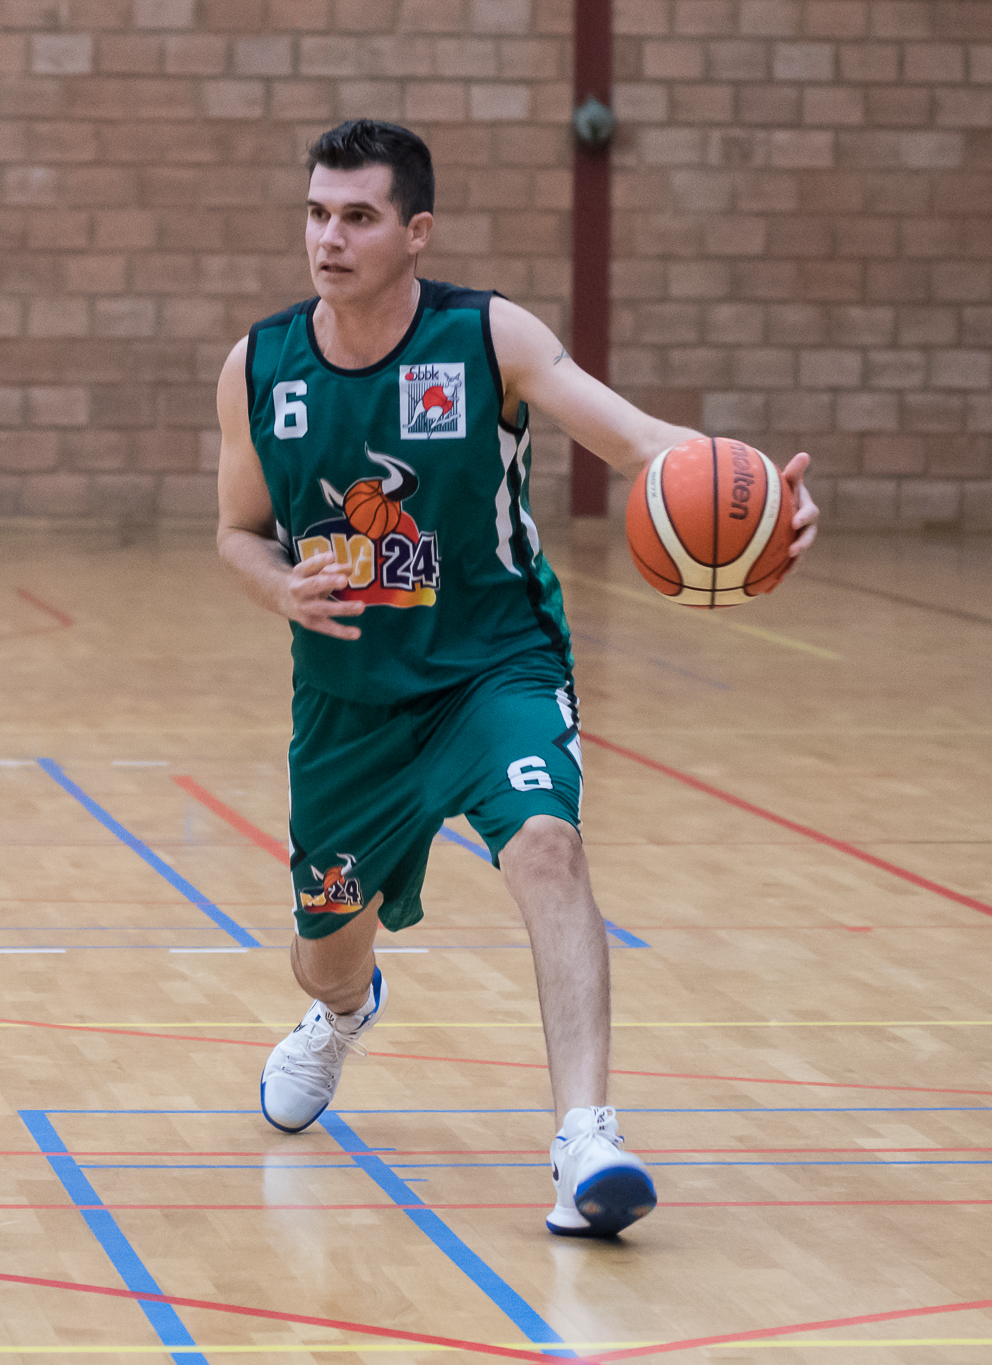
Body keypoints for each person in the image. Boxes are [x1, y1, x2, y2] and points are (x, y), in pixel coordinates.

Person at [216, 120, 818, 1237]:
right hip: (348, 703)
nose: (328, 238)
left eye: (357, 217)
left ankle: (586, 1138)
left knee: (547, 844)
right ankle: (343, 1014)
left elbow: (639, 442)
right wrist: (279, 588)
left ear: (415, 232)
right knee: (322, 957)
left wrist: (763, 497)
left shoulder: (487, 336)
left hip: (495, 666)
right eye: (316, 214)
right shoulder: (260, 367)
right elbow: (236, 531)